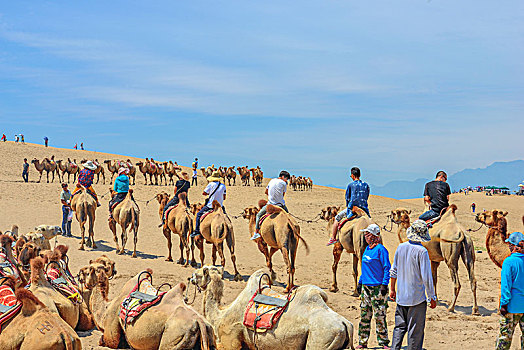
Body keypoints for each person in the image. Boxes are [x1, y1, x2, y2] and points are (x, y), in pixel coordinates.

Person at [390, 220, 437, 350]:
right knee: (415, 332)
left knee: (399, 328)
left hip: (401, 297)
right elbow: (427, 277)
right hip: (416, 299)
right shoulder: (422, 251)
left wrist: (392, 289)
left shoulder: (401, 247)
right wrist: (432, 297)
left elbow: (394, 270)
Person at [356, 224, 391, 349]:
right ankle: (362, 341)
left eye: (368, 234)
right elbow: (364, 268)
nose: (366, 236)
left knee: (379, 316)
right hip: (366, 288)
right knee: (365, 315)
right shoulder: (367, 249)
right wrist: (360, 282)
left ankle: (383, 342)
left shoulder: (381, 250)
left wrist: (384, 284)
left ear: (375, 236)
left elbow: (387, 267)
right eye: (365, 234)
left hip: (377, 288)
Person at [496, 231, 524, 350]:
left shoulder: (508, 262)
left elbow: (506, 286)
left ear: (513, 246)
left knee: (505, 339)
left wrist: (503, 304)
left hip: (511, 307)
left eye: (510, 244)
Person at [328, 167, 370, 245]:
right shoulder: (366, 185)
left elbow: (347, 198)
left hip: (352, 209)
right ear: (359, 175)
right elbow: (366, 196)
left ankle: (333, 238)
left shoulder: (350, 185)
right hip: (364, 210)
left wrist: (348, 207)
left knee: (337, 218)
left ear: (353, 175)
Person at [251, 170, 290, 240]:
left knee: (258, 215)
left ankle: (256, 232)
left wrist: (271, 196)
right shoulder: (284, 183)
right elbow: (282, 195)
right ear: (283, 177)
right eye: (286, 178)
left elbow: (266, 192)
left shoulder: (271, 180)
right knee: (288, 216)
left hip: (270, 204)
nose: (287, 180)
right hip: (280, 205)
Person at [191, 171, 226, 238]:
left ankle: (197, 231)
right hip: (220, 206)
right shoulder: (223, 186)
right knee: (226, 217)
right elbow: (224, 198)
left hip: (210, 206)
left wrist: (209, 193)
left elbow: (204, 193)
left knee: (198, 215)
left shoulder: (210, 184)